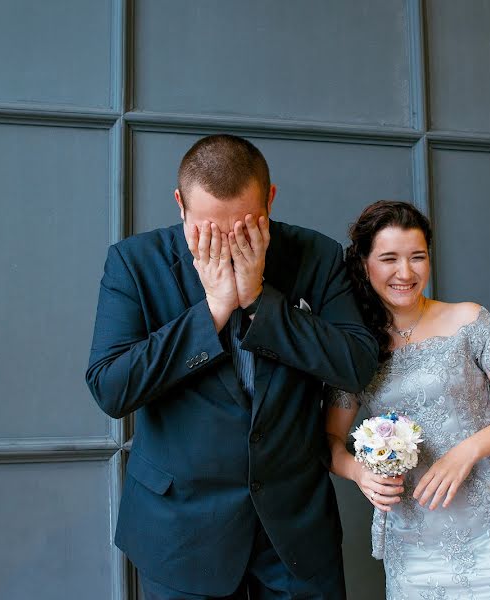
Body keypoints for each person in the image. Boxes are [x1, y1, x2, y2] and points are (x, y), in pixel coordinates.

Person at [85, 134, 378, 599]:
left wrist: (264, 300)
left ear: (270, 200)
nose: (225, 244)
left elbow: (357, 364)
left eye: (244, 227)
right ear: (180, 204)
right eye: (207, 229)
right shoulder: (134, 263)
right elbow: (111, 388)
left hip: (295, 531)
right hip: (180, 530)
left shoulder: (316, 256)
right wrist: (214, 311)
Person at [325, 201, 490, 599]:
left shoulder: (469, 320)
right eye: (389, 259)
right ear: (364, 263)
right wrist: (359, 474)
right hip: (415, 540)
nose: (406, 273)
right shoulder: (356, 347)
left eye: (417, 257)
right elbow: (330, 441)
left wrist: (467, 450)